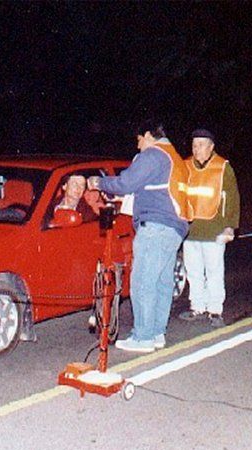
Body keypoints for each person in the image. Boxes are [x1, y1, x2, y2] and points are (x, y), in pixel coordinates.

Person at [88, 121, 189, 353]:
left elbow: (126, 183)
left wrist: (99, 182)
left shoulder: (153, 154)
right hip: (173, 227)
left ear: (148, 136)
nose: (138, 146)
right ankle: (156, 333)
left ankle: (143, 337)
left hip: (155, 227)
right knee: (161, 282)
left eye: (139, 140)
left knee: (143, 282)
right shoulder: (174, 157)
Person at [177, 129, 240, 328]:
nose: (197, 149)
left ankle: (215, 310)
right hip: (191, 230)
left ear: (211, 147)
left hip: (214, 230)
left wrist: (230, 227)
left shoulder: (223, 167)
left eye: (201, 145)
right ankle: (197, 306)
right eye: (194, 145)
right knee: (193, 272)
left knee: (214, 272)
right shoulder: (185, 166)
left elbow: (232, 198)